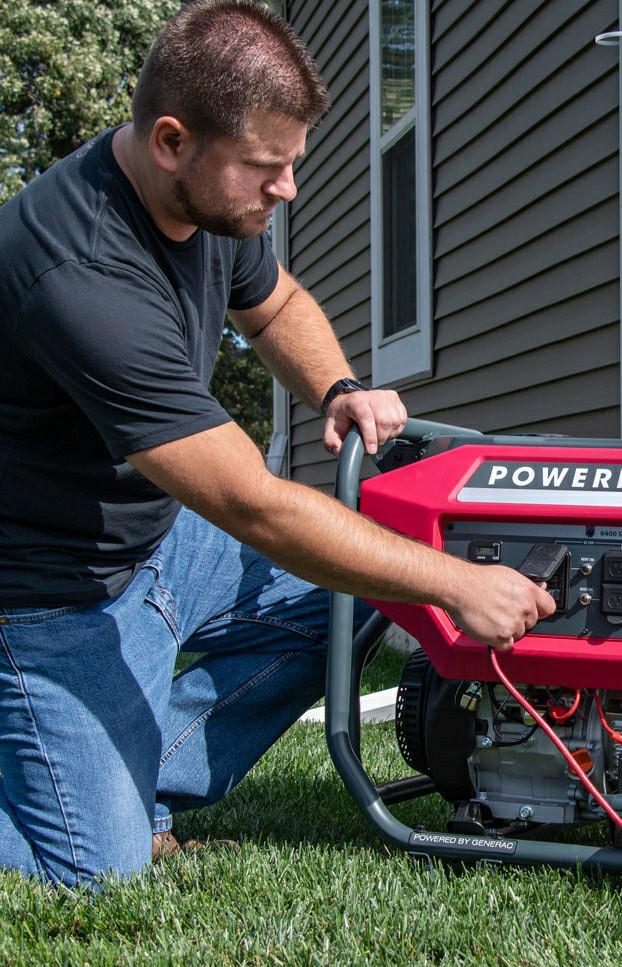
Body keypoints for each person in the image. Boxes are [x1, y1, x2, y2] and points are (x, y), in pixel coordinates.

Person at [0, 0, 553, 888]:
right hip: (53, 596)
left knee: (365, 593)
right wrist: (457, 584)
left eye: (292, 163)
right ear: (173, 141)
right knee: (94, 869)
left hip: (160, 544)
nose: (286, 190)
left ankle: (140, 774)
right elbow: (253, 506)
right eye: (266, 168)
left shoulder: (204, 206)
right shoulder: (79, 275)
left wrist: (338, 386)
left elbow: (279, 306)